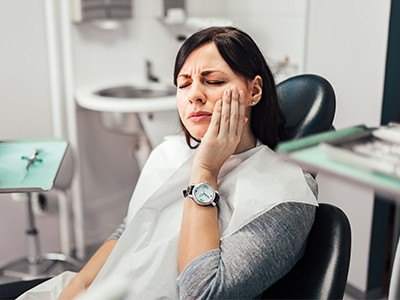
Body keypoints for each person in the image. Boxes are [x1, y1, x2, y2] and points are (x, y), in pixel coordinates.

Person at [18, 26, 317, 300]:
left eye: (213, 81)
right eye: (183, 84)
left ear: (253, 91)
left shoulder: (285, 194)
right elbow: (129, 230)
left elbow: (202, 293)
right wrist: (77, 287)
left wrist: (205, 171)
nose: (195, 96)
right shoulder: (169, 154)